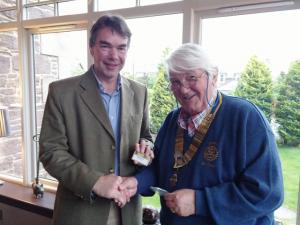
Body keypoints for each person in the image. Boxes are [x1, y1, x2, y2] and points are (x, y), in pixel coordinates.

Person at [121, 43, 284, 225]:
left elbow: (268, 193)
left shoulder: (245, 118)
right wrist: (137, 183)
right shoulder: (172, 120)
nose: (183, 89)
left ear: (213, 76)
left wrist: (200, 202)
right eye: (175, 81)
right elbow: (159, 168)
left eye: (191, 77)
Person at [39, 14, 154, 225]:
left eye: (121, 47)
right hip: (81, 212)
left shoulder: (140, 92)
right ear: (92, 48)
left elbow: (146, 136)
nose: (114, 55)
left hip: (127, 211)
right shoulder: (61, 92)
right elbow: (51, 152)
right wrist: (96, 181)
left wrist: (145, 148)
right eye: (105, 46)